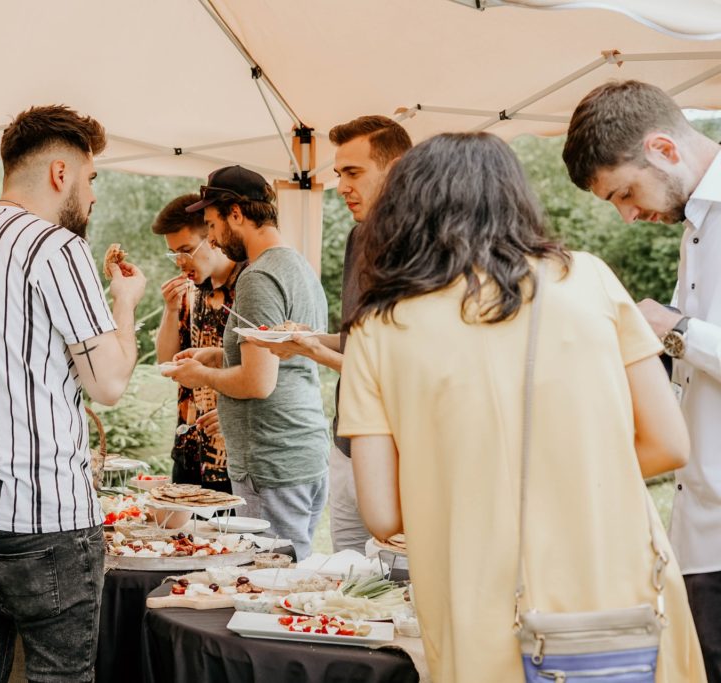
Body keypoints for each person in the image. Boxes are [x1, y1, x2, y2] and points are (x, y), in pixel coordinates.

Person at [338, 132, 705, 682]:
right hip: (611, 596)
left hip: (473, 601)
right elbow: (668, 443)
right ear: (515, 198)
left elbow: (384, 512)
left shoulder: (378, 326)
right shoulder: (589, 280)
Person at [0, 104, 146, 682]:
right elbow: (109, 383)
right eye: (92, 178)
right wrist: (124, 306)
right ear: (60, 173)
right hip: (44, 519)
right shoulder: (57, 249)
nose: (93, 195)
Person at [563, 79, 721, 682]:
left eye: (625, 193)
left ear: (664, 148)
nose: (629, 215)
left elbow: (685, 336)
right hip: (696, 530)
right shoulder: (694, 226)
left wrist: (675, 327)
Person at [247, 115, 411, 553]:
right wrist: (310, 339)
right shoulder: (358, 238)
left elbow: (395, 372)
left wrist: (314, 352)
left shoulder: (426, 250)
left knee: (394, 586)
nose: (341, 186)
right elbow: (359, 343)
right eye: (338, 174)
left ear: (395, 169)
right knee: (349, 578)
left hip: (399, 449)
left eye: (353, 172)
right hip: (345, 441)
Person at [164, 166, 329, 560]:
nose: (215, 240)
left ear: (236, 213)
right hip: (303, 451)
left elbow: (258, 383)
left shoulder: (258, 277)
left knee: (271, 580)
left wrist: (200, 375)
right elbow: (282, 355)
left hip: (270, 460)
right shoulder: (298, 266)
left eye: (213, 225)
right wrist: (218, 355)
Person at [153, 193, 242, 492]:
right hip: (188, 451)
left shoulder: (250, 286)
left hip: (233, 456)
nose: (180, 262)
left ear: (212, 238)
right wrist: (171, 309)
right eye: (173, 253)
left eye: (186, 250)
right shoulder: (192, 289)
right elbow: (167, 360)